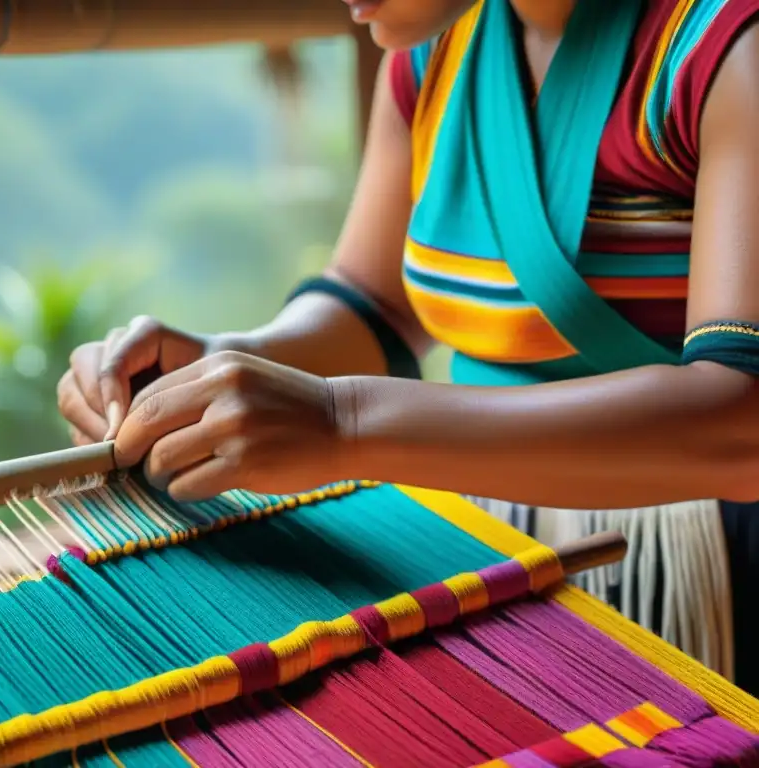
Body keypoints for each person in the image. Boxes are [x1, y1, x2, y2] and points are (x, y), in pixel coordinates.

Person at [57, 0, 759, 693]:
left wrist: (344, 423)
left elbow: (741, 422)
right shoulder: (432, 54)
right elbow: (375, 307)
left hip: (708, 578)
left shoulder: (725, 48)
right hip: (489, 556)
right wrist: (218, 365)